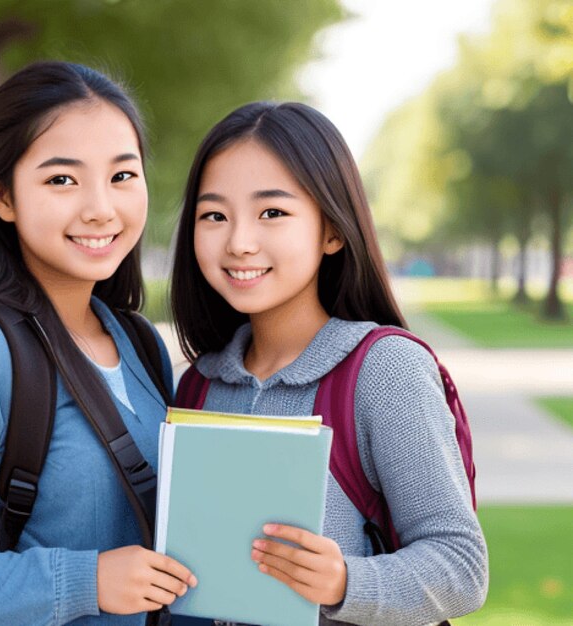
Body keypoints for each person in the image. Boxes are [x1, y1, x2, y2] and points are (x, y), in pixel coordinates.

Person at [170, 102, 488, 625]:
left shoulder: (385, 371)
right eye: (214, 215)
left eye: (272, 212)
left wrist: (344, 582)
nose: (239, 242)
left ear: (331, 232)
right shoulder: (198, 385)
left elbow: (461, 567)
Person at [0, 61, 197, 625]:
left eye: (122, 176)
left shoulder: (137, 340)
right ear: (2, 197)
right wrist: (83, 581)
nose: (100, 209)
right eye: (62, 179)